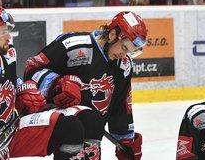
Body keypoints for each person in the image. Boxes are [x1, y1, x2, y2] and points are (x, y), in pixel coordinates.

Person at [0, 5, 88, 159]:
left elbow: (12, 82)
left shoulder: (7, 55)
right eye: (3, 31)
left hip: (11, 133)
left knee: (69, 127)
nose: (9, 37)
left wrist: (24, 90)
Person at [24, 11, 148, 159]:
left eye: (131, 52)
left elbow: (120, 105)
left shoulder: (123, 65)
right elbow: (32, 68)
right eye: (124, 48)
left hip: (92, 131)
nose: (124, 55)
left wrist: (126, 140)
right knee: (80, 127)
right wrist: (56, 85)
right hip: (61, 125)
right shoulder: (74, 45)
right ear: (112, 35)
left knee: (93, 124)